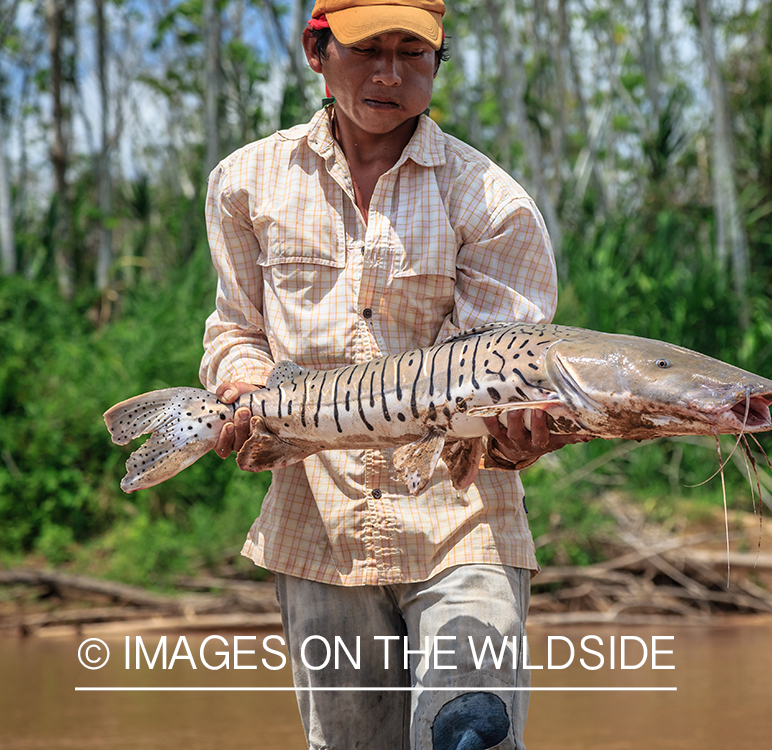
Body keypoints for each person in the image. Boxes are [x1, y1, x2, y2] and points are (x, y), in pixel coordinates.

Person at [198, 1, 578, 747]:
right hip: (315, 528)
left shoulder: (492, 202)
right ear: (317, 51)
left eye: (413, 54)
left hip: (462, 524)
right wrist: (241, 387)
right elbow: (235, 330)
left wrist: (521, 436)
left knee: (471, 735)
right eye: (368, 49)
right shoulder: (244, 182)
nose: (389, 74)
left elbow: (497, 388)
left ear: (438, 64)